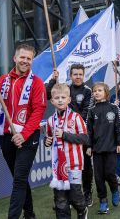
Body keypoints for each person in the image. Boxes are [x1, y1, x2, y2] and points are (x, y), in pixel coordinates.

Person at [0, 44, 47, 219]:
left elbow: (38, 111)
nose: (25, 61)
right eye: (22, 57)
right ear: (15, 58)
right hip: (6, 135)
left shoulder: (37, 83)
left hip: (28, 136)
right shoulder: (3, 80)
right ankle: (30, 213)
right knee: (18, 176)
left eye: (29, 58)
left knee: (19, 179)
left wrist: (24, 134)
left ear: (32, 60)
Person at [46, 64, 94, 206]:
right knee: (62, 162)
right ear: (70, 75)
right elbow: (50, 94)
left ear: (83, 75)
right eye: (75, 74)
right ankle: (63, 197)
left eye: (80, 74)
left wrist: (71, 121)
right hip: (65, 131)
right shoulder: (66, 88)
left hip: (81, 129)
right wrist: (53, 81)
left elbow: (87, 112)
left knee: (84, 165)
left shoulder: (87, 91)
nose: (78, 77)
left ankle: (87, 192)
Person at [44, 83, 88, 219]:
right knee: (60, 200)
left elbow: (85, 138)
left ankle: (82, 209)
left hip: (74, 163)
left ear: (69, 99)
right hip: (58, 167)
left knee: (75, 197)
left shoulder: (76, 117)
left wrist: (64, 135)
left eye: (63, 97)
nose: (60, 100)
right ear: (52, 101)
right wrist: (47, 142)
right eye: (57, 98)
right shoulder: (50, 120)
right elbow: (49, 138)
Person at [86, 82, 120, 215]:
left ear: (106, 93)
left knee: (109, 173)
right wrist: (89, 146)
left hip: (111, 148)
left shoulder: (114, 108)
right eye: (94, 91)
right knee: (98, 177)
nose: (96, 92)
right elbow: (88, 131)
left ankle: (114, 190)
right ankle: (103, 201)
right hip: (96, 150)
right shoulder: (91, 111)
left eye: (100, 90)